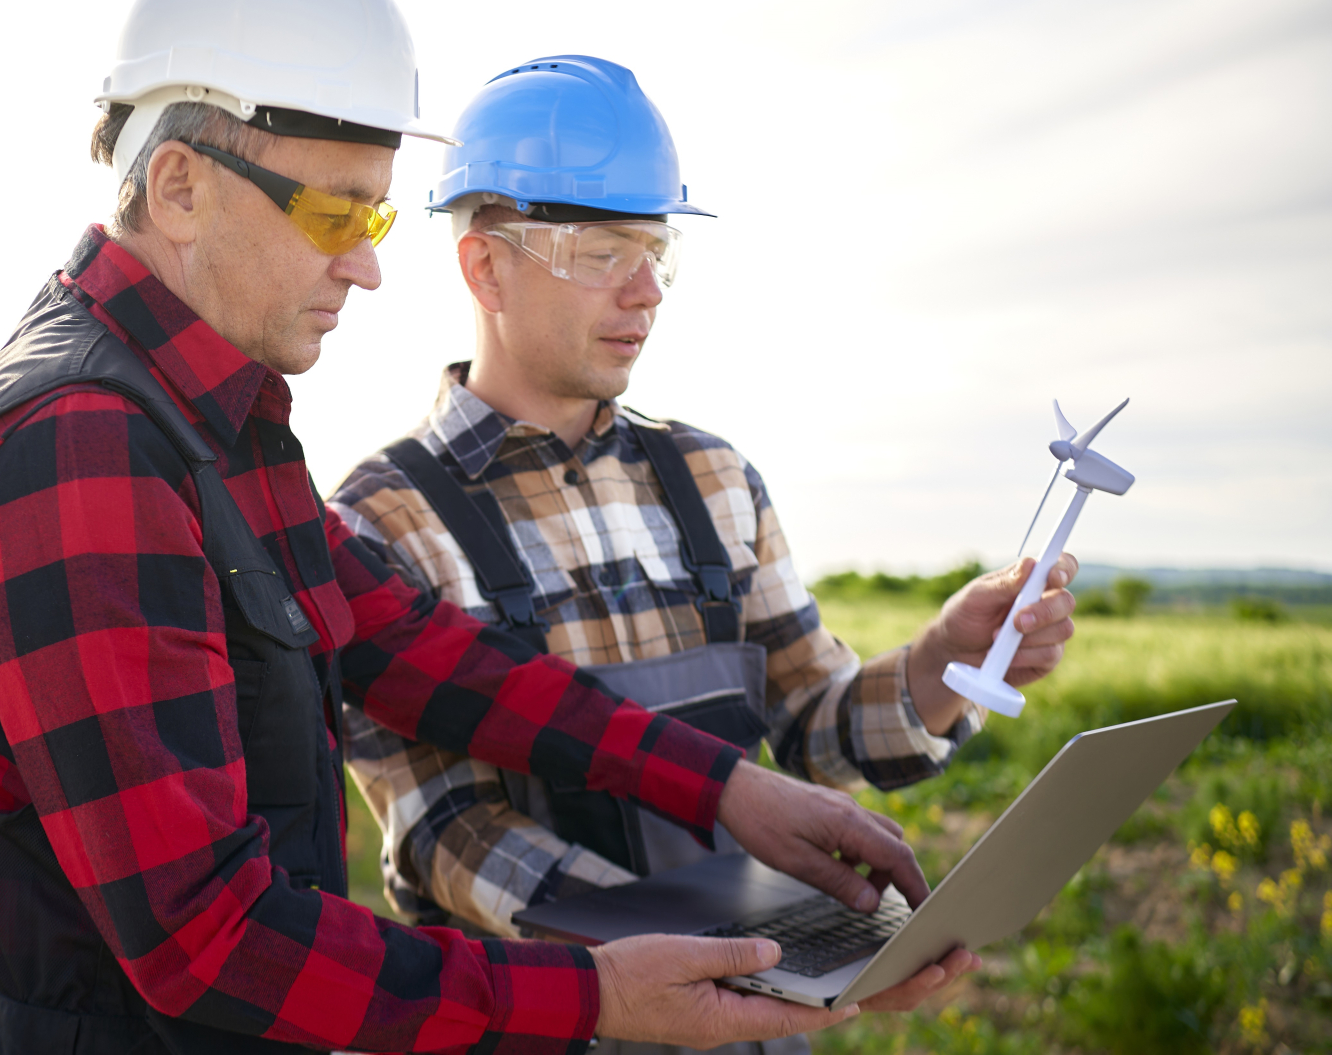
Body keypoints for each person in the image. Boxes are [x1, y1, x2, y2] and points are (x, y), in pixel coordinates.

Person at [0, 0, 976, 1055]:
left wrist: (729, 788)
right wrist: (591, 994)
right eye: (335, 214)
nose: (367, 264)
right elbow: (210, 936)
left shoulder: (212, 422)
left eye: (378, 216)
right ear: (180, 184)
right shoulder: (80, 451)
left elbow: (419, 652)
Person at [331, 55, 1077, 1053]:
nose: (647, 290)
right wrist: (726, 952)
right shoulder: (386, 521)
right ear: (485, 265)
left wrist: (946, 659)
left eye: (657, 248)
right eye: (603, 251)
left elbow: (815, 731)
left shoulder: (714, 478)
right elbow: (448, 834)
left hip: (755, 1021)